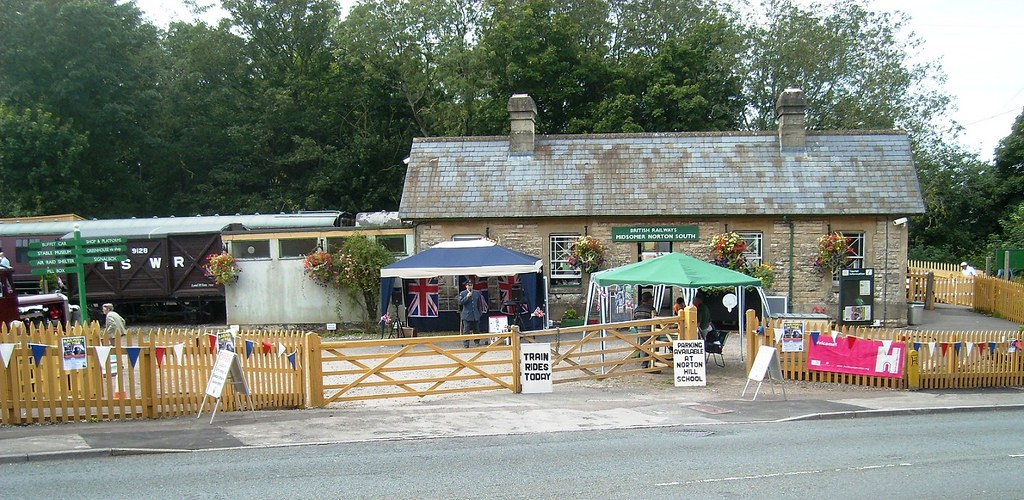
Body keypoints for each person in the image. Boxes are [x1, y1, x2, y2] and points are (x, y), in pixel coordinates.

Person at [633, 292, 655, 369]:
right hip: (650, 331)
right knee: (654, 346)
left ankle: (644, 363)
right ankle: (652, 363)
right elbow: (655, 321)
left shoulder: (637, 309)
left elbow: (634, 321)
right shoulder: (651, 309)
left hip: (640, 331)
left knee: (643, 348)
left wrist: (638, 329)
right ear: (649, 299)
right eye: (651, 299)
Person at [459, 281, 483, 348]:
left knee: (476, 330)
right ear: (466, 286)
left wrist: (479, 313)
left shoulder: (476, 293)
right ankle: (466, 344)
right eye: (468, 285)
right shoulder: (463, 293)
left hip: (475, 314)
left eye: (471, 285)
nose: (470, 286)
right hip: (467, 315)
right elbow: (460, 302)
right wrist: (467, 297)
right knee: (466, 330)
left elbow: (479, 303)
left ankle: (477, 342)